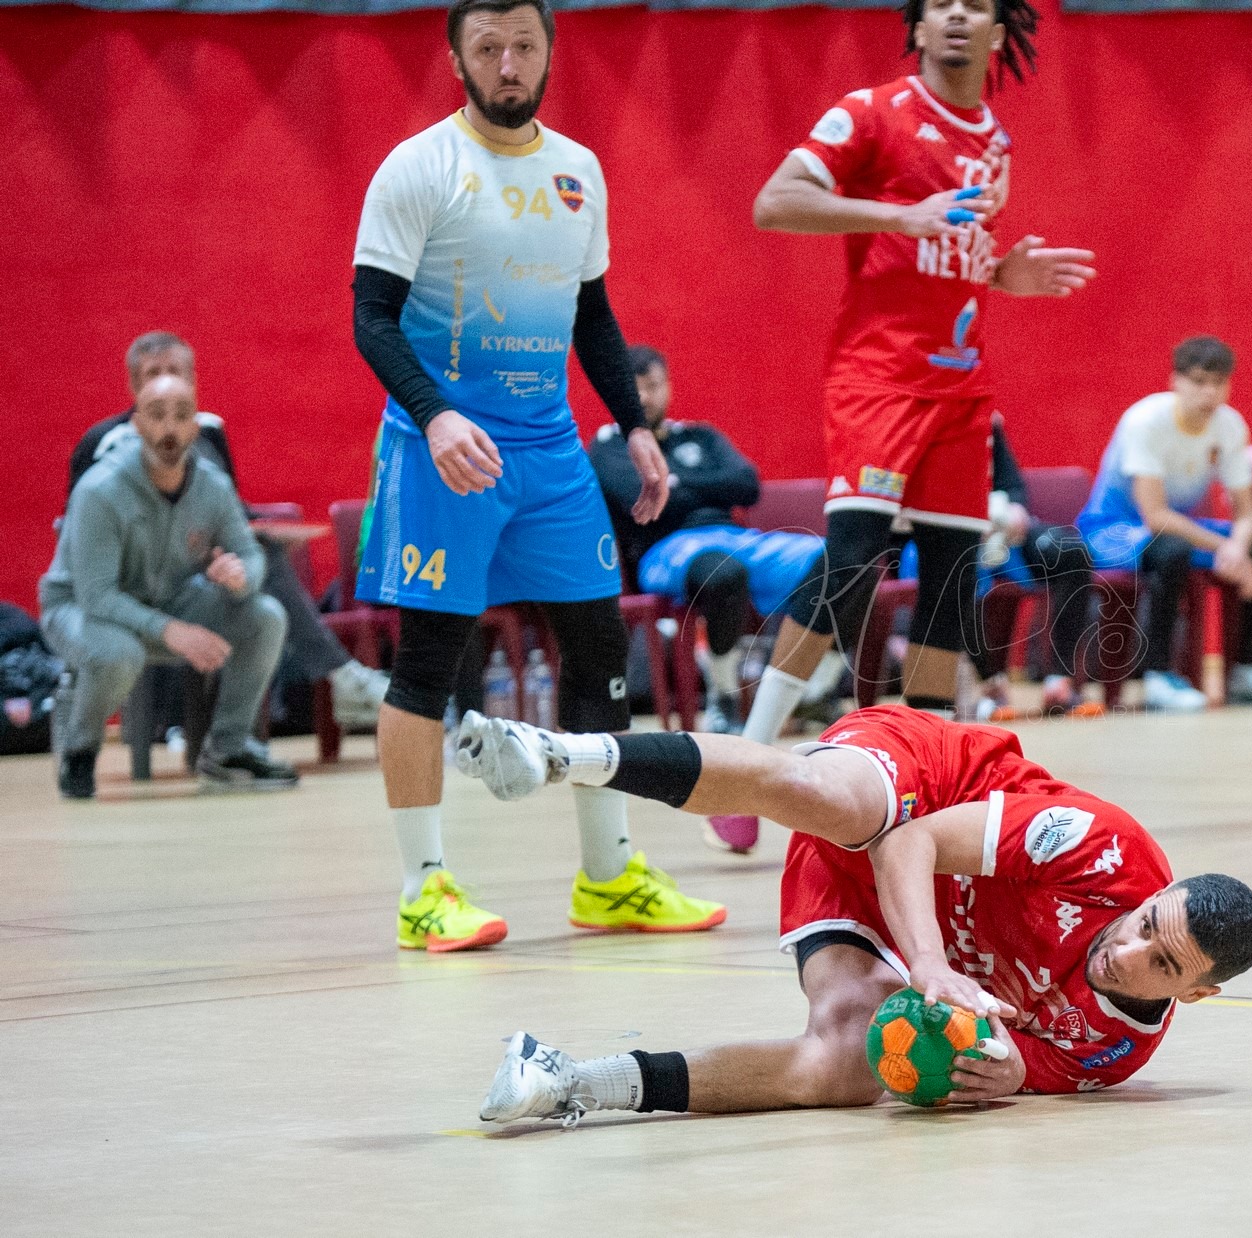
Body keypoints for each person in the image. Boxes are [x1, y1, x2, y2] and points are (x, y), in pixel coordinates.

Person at [348, 0, 723, 952]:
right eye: (488, 49)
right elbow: (373, 319)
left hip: (551, 452)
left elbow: (592, 316)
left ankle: (609, 879)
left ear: (548, 53)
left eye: (524, 46)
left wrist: (633, 429)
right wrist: (434, 418)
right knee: (429, 664)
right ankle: (423, 888)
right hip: (446, 451)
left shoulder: (578, 171)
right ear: (457, 61)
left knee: (598, 651)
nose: (508, 64)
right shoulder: (418, 167)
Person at [448, 704, 1252, 1119]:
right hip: (929, 795)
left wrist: (1008, 1075)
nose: (1128, 950)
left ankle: (570, 1086)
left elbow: (991, 1061)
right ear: (1153, 897)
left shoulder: (1110, 1053)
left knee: (843, 1066)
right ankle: (560, 753)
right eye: (1143, 924)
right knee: (829, 799)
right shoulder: (1100, 848)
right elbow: (905, 843)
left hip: (898, 909)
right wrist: (932, 962)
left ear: (1195, 994)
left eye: (1161, 964)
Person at [735, 0, 1096, 824]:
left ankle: (922, 791)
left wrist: (1006, 276)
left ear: (1001, 32)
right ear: (919, 27)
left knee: (949, 587)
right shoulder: (871, 111)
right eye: (940, 4)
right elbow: (774, 200)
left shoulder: (994, 141)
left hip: (961, 391)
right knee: (854, 561)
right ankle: (753, 768)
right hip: (877, 378)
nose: (958, 16)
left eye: (975, 5)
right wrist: (894, 213)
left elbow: (950, 255)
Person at [68, 331, 390, 733]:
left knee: (261, 563)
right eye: (154, 374)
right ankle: (340, 676)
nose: (166, 380)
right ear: (135, 385)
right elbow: (80, 535)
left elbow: (227, 512)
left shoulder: (208, 432)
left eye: (176, 372)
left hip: (196, 579)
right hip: (130, 588)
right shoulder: (104, 442)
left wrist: (247, 545)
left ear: (192, 381)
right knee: (262, 566)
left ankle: (239, 739)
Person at [40, 375, 297, 798]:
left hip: (167, 601)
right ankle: (80, 749)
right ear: (136, 424)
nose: (170, 429)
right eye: (158, 416)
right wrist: (173, 631)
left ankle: (227, 750)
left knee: (265, 616)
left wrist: (240, 578)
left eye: (182, 417)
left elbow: (249, 554)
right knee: (120, 652)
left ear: (196, 427)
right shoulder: (100, 490)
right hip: (80, 609)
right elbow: (96, 596)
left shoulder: (212, 485)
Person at [589, 345, 824, 740]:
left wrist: (675, 482)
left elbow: (747, 485)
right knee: (722, 572)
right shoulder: (610, 446)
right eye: (634, 388)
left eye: (652, 385)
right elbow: (641, 500)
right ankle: (724, 694)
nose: (644, 397)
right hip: (665, 550)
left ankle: (816, 693)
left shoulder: (701, 435)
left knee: (841, 562)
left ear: (668, 386)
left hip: (735, 537)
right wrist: (709, 487)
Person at [1076, 337, 1252, 713]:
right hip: (1112, 530)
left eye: (1218, 382)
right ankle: (1157, 676)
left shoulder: (1230, 427)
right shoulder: (1145, 421)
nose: (1209, 392)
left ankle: (1244, 669)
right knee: (1173, 551)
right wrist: (1223, 548)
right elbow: (1155, 516)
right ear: (1175, 382)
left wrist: (1238, 548)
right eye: (1199, 381)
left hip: (1175, 526)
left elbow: (1246, 514)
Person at [967, 413, 1101, 718]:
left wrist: (1014, 509)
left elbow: (1012, 484)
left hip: (1002, 530)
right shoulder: (916, 416)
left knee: (1071, 552)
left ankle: (1059, 681)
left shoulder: (985, 421)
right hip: (951, 530)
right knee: (957, 563)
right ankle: (988, 686)